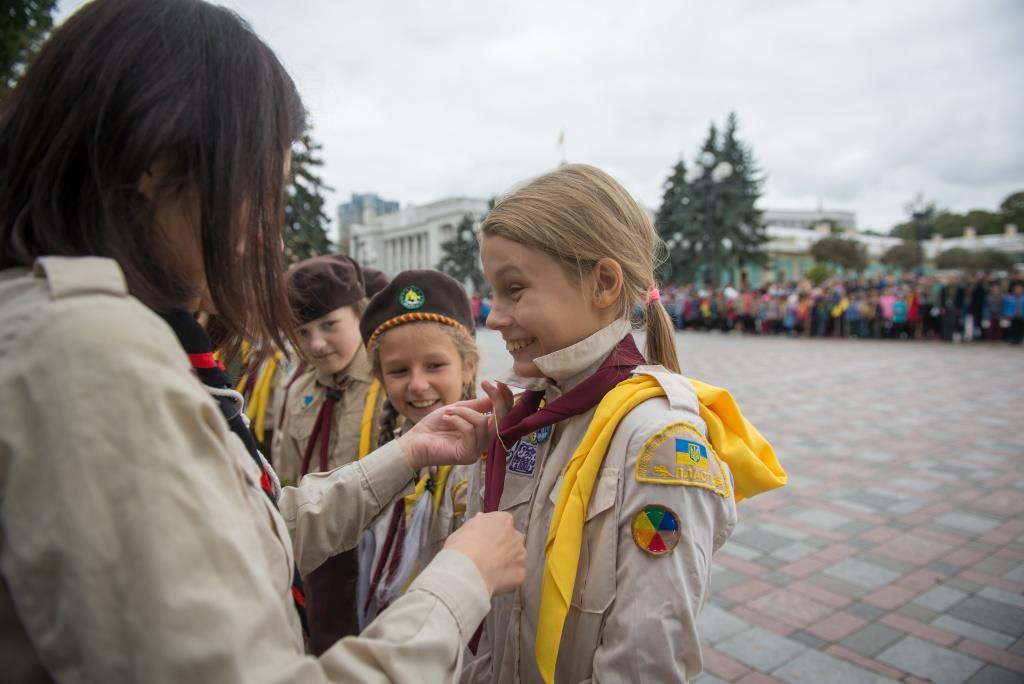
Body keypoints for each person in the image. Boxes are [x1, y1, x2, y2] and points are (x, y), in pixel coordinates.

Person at [0, 1, 526, 680]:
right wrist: (461, 580)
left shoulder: (63, 320)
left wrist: (407, 452)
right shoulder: (91, 351)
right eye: (256, 193)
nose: (266, 239)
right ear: (157, 166)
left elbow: (238, 534)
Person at [462, 164, 785, 684]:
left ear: (604, 283)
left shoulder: (659, 441)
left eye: (515, 289)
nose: (494, 316)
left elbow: (644, 663)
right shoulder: (534, 415)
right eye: (493, 292)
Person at [272, 254, 388, 650]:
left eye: (329, 325)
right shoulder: (298, 390)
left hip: (373, 554)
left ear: (359, 314)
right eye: (301, 333)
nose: (316, 344)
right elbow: (284, 471)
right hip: (315, 556)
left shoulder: (390, 381)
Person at [356, 270, 482, 627]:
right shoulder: (385, 449)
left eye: (435, 365)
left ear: (468, 367)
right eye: (398, 371)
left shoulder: (487, 457)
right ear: (380, 378)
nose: (417, 384)